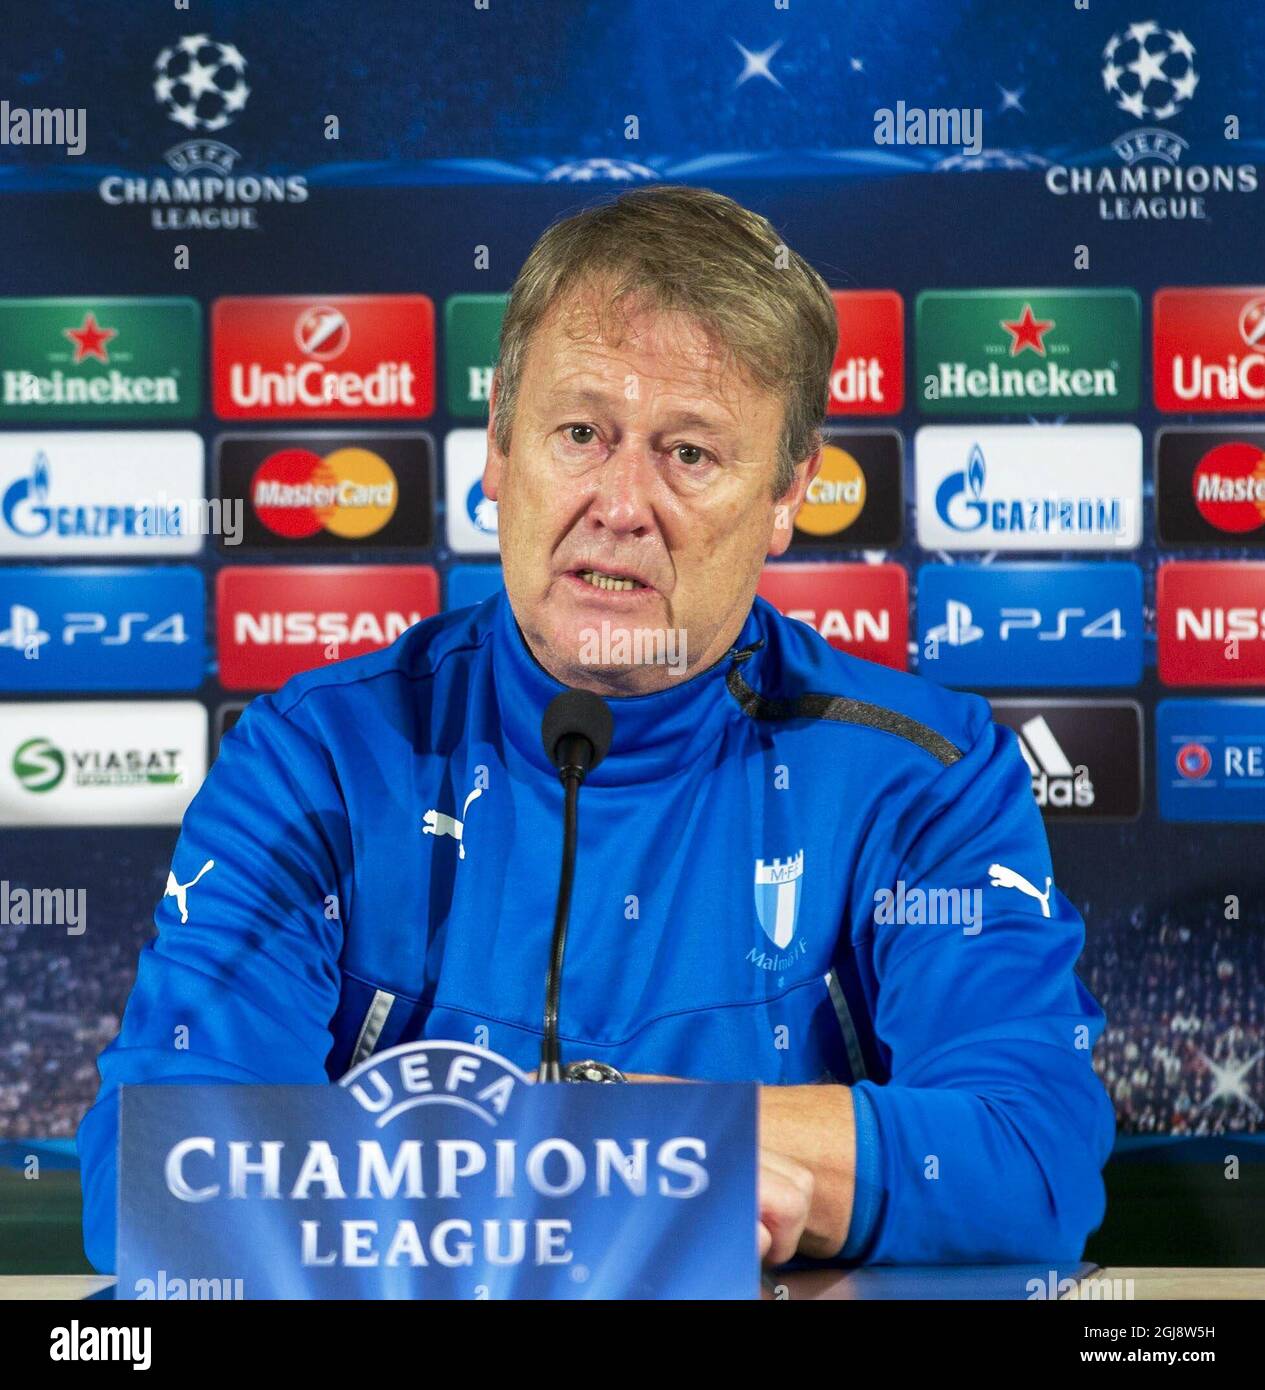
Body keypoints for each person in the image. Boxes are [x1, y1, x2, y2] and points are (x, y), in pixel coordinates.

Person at [78, 184, 1114, 1273]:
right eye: (580, 432)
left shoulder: (922, 777)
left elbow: (1029, 1152)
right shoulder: (316, 761)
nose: (621, 503)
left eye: (689, 454)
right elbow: (154, 1175)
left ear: (785, 491)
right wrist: (643, 1163)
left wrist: (576, 1155)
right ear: (497, 448)